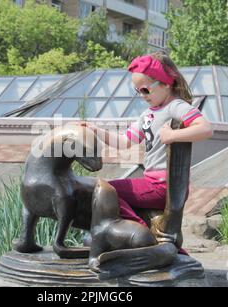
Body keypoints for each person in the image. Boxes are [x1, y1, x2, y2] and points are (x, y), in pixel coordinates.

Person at [79, 51, 213, 232]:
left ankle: (140, 232)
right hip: (153, 184)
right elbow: (124, 142)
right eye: (137, 91)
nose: (142, 96)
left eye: (145, 90)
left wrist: (172, 136)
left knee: (106, 190)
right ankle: (138, 231)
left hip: (163, 186)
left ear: (166, 83)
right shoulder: (149, 114)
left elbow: (205, 129)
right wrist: (96, 130)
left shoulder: (176, 106)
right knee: (106, 189)